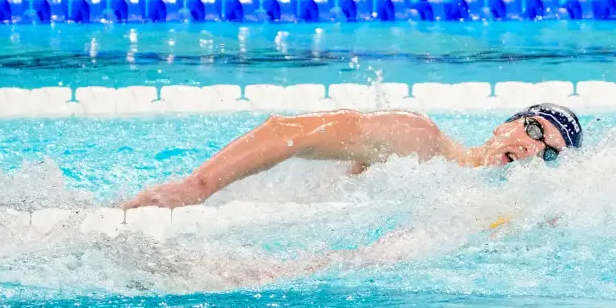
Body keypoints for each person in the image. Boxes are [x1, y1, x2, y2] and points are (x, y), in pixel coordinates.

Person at [119, 103, 582, 210]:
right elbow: (288, 132)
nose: (531, 148)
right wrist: (195, 188)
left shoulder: (492, 212)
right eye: (535, 129)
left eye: (548, 154)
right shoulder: (417, 139)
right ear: (505, 124)